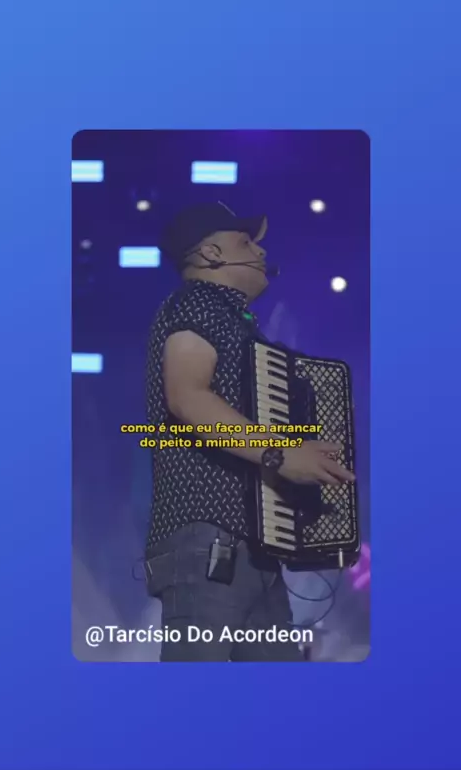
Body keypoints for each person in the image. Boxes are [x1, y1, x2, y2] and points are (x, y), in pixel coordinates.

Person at [143, 201, 355, 661]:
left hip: (253, 549)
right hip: (209, 540)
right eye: (245, 242)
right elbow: (187, 396)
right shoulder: (197, 302)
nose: (260, 252)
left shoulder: (235, 320)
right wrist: (282, 454)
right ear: (212, 254)